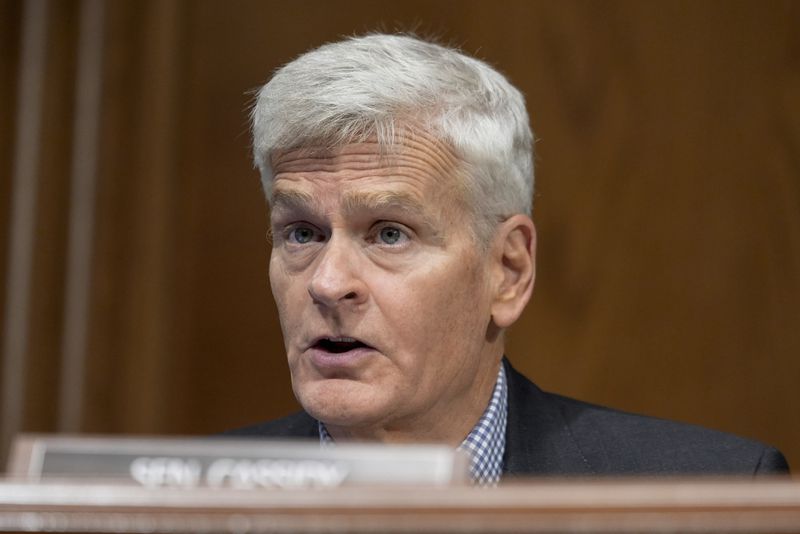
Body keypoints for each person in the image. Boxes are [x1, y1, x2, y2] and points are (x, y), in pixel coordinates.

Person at [228, 33, 789, 484]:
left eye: (390, 234)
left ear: (508, 271)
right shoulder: (168, 503)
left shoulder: (710, 495)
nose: (328, 283)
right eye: (301, 233)